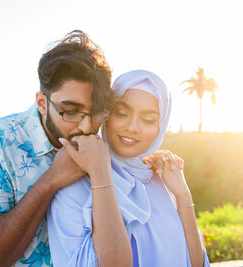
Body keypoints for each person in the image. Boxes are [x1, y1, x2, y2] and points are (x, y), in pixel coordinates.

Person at [0, 30, 114, 266]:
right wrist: (51, 180)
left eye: (95, 113)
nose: (86, 126)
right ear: (42, 103)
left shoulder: (103, 144)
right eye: (70, 111)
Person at [47, 70, 211, 266]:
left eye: (148, 120)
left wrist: (183, 195)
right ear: (106, 115)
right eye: (122, 113)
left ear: (161, 126)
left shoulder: (165, 182)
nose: (132, 127)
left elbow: (195, 263)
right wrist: (101, 173)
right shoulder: (76, 186)